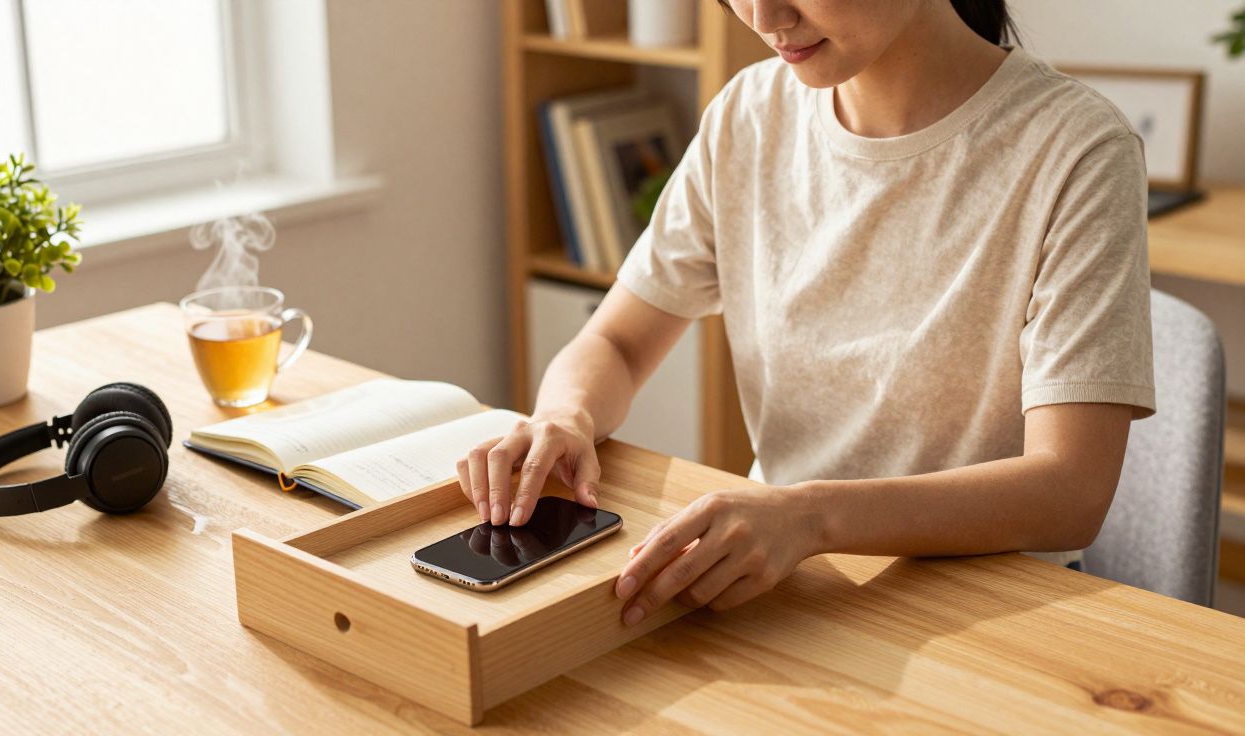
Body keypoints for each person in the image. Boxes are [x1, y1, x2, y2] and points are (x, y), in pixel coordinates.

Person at [458, 0, 1155, 626]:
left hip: (996, 609)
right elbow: (616, 340)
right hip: (784, 586)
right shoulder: (747, 117)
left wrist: (811, 517)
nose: (762, 17)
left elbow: (1071, 489)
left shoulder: (1077, 150)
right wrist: (563, 418)